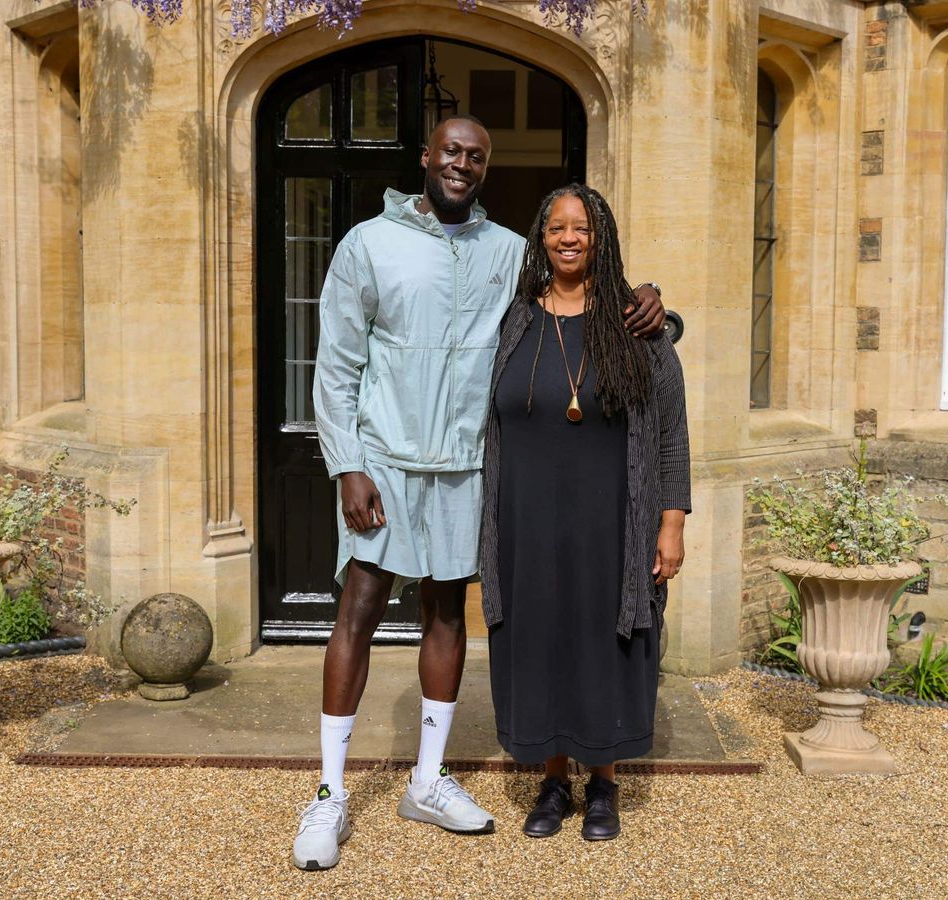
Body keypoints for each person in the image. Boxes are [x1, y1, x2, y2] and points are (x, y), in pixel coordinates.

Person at [293, 115, 666, 871]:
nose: (461, 164)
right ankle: (329, 794)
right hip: (385, 460)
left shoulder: (508, 253)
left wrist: (654, 304)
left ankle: (427, 781)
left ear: (485, 169)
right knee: (358, 608)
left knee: (446, 616)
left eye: (476, 157)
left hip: (468, 468)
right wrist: (347, 465)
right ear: (426, 157)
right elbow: (336, 364)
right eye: (451, 152)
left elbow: (575, 297)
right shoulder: (368, 243)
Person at [479, 184, 690, 841]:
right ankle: (551, 781)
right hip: (527, 523)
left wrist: (671, 523)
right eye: (556, 227)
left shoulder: (636, 323)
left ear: (601, 238)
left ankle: (602, 783)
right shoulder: (516, 319)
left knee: (603, 644)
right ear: (540, 238)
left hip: (611, 523)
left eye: (582, 228)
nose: (569, 238)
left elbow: (672, 430)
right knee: (540, 639)